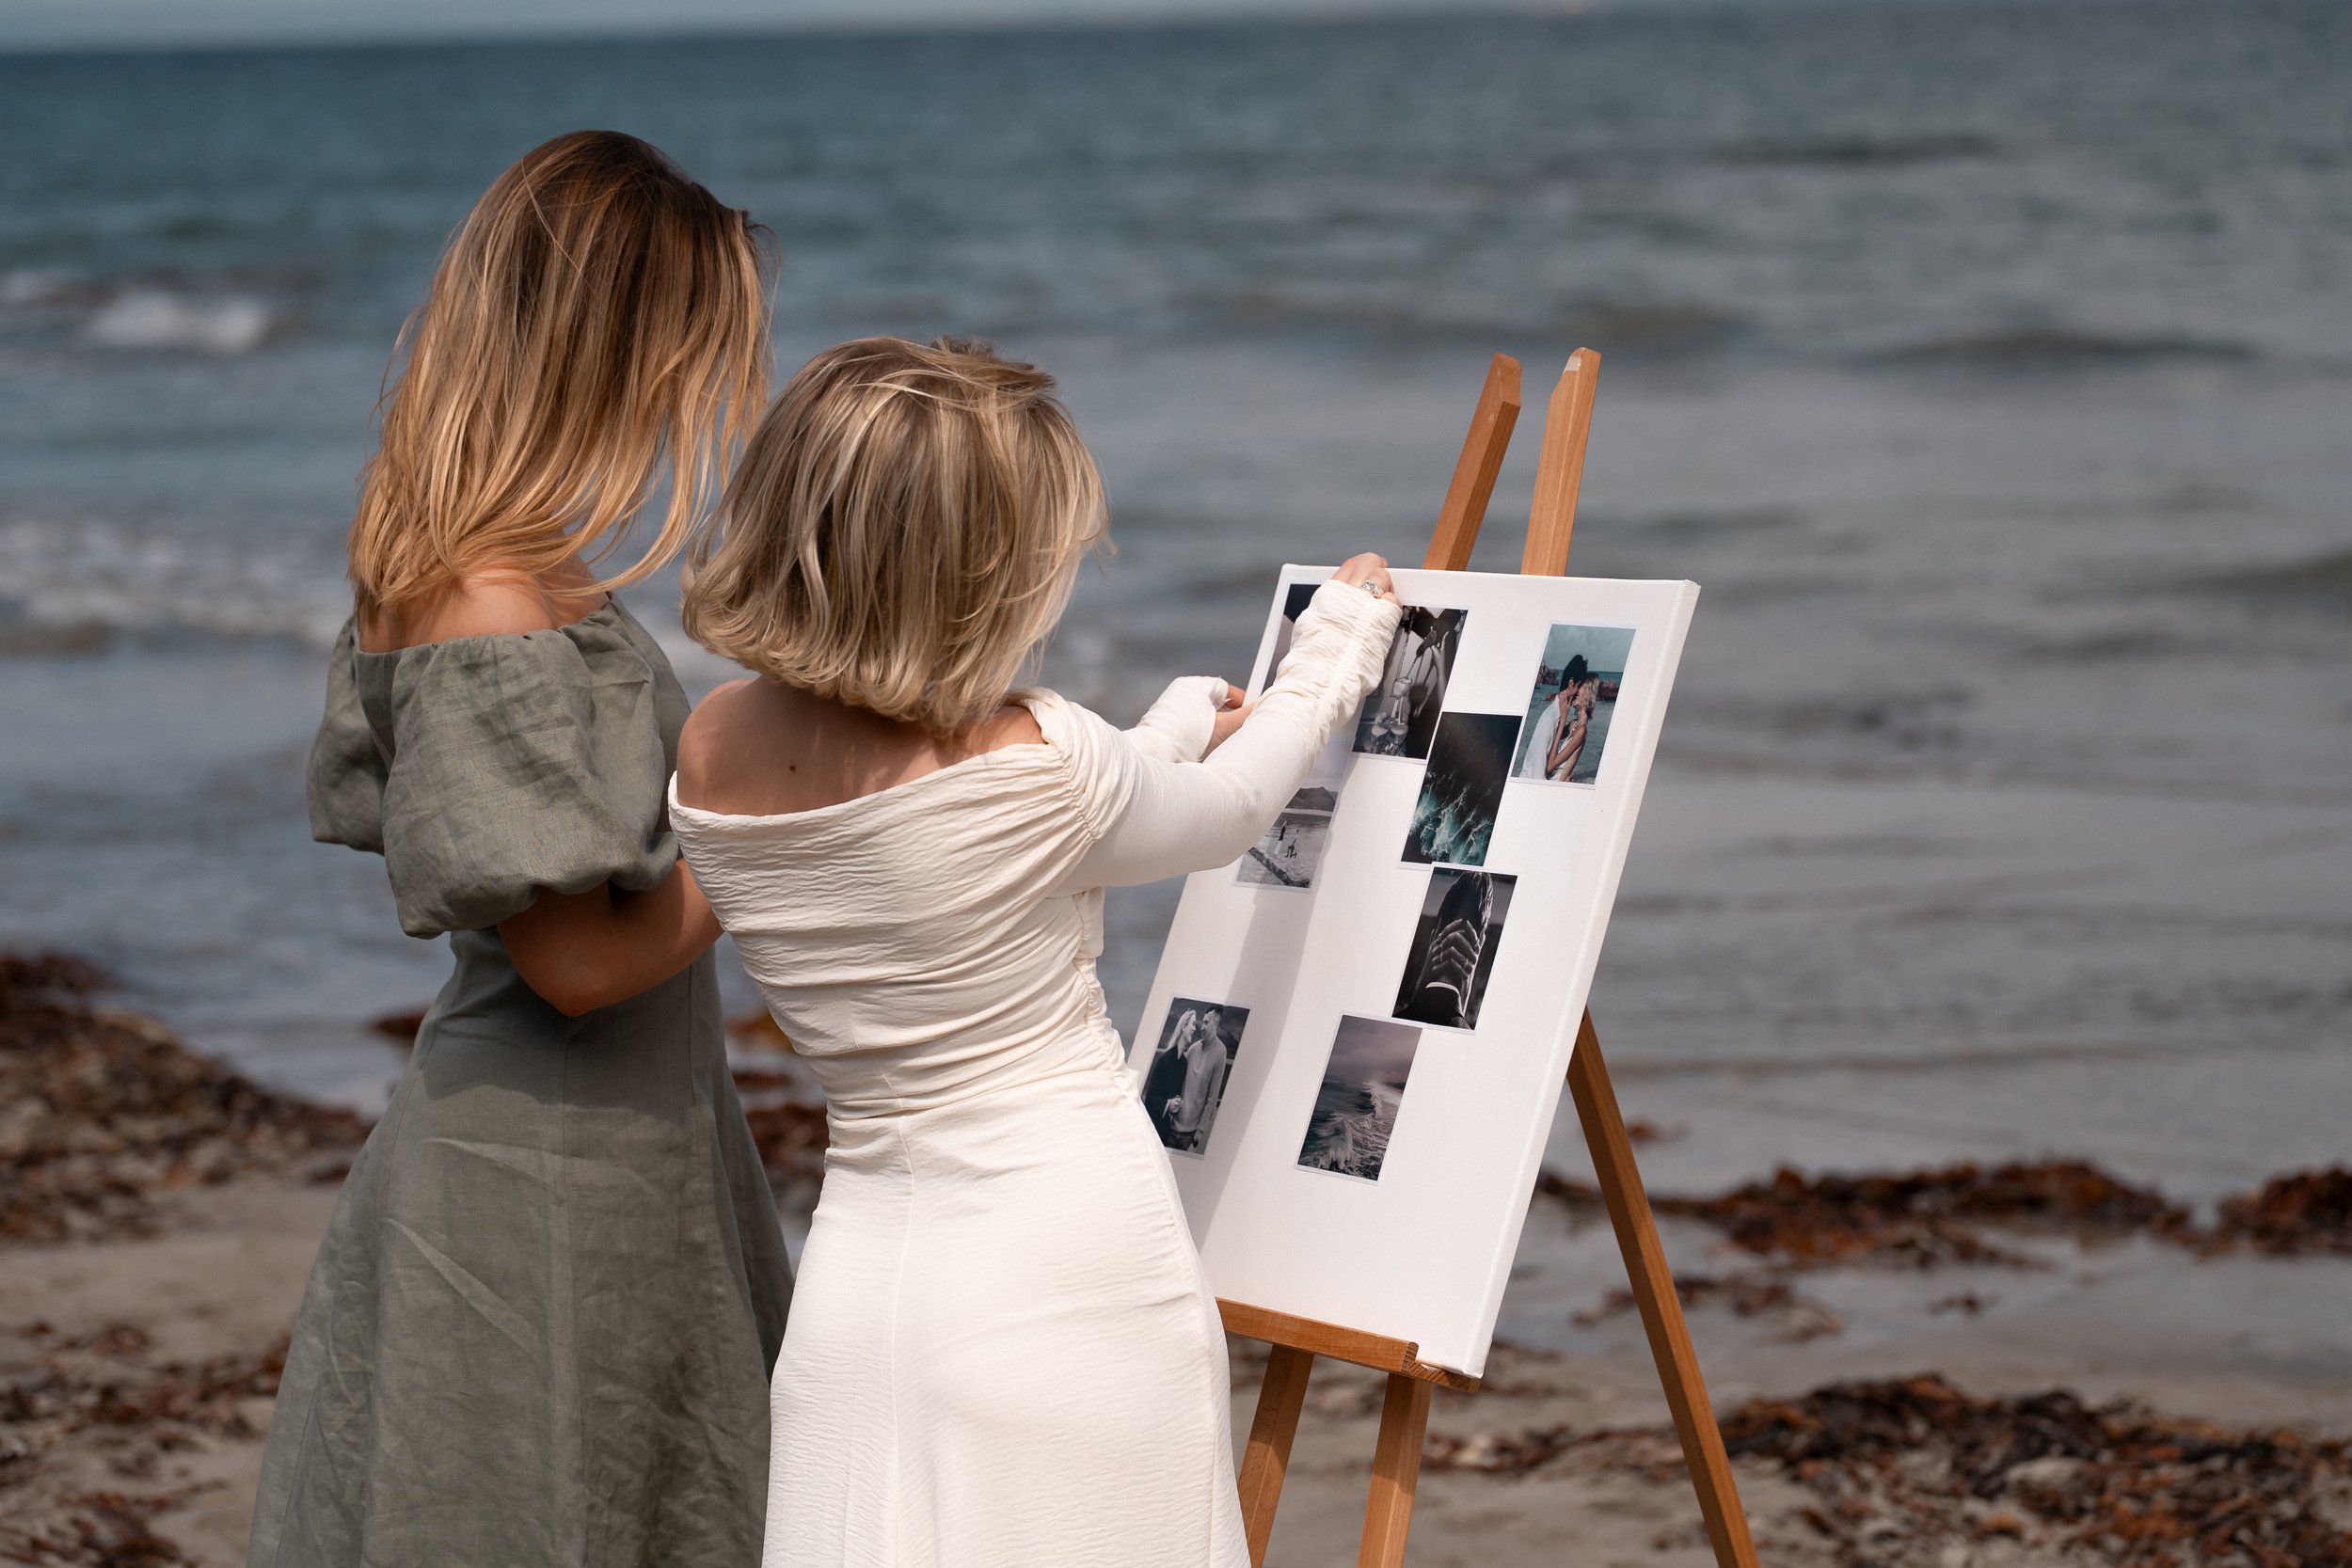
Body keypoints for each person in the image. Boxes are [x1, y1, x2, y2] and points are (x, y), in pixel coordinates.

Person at [667, 335, 1401, 1568]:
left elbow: (1048, 816)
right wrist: (1335, 655)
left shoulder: (714, 744)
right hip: (1064, 1273)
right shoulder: (1037, 761)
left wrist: (1171, 720)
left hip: (860, 1279)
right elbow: (1212, 815)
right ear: (977, 576)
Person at [250, 132, 794, 1568]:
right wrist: (772, 826)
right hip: (537, 1185)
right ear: (608, 350)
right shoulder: (490, 599)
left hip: (621, 1150)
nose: (702, 398)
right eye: (693, 358)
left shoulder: (503, 561)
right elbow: (573, 966)